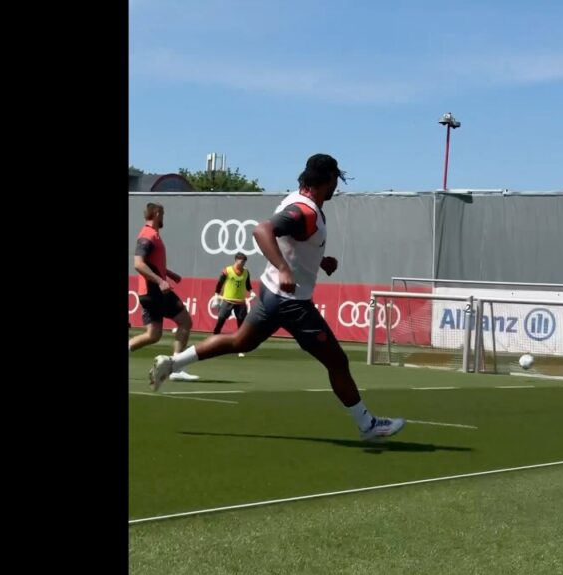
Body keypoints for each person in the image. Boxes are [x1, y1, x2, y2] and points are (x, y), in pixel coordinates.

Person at [150, 154, 404, 441]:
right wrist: (284, 268)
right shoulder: (305, 211)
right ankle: (368, 425)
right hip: (291, 303)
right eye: (336, 180)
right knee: (337, 361)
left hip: (272, 294)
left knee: (240, 341)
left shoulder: (298, 200)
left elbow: (292, 242)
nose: (336, 186)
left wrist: (319, 260)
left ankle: (172, 363)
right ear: (329, 179)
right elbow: (262, 231)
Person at [128, 202, 199, 382]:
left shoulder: (153, 235)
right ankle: (176, 368)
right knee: (185, 321)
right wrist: (160, 281)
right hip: (155, 292)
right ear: (158, 214)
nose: (164, 218)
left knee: (153, 335)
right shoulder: (148, 236)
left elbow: (152, 264)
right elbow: (139, 264)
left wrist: (169, 274)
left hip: (148, 293)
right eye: (163, 214)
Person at [212, 252, 254, 357]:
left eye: (244, 262)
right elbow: (220, 283)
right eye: (241, 261)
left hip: (240, 301)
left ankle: (241, 348)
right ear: (236, 260)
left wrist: (251, 291)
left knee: (241, 324)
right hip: (228, 300)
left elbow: (248, 285)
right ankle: (214, 339)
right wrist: (216, 295)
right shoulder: (227, 271)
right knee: (221, 319)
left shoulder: (246, 272)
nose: (243, 263)